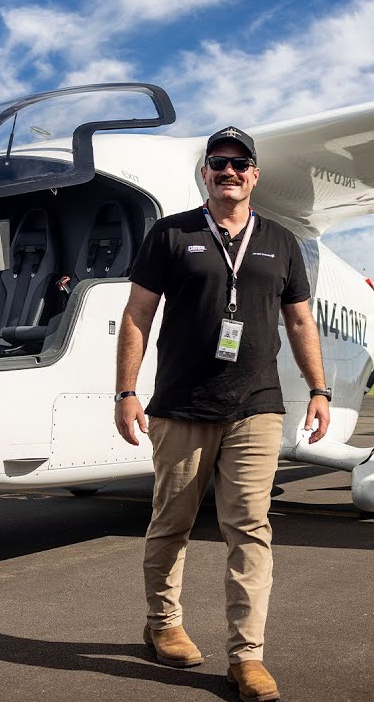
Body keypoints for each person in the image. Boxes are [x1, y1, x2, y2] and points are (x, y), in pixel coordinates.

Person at [114, 126, 330, 702]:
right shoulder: (170, 234)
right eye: (218, 163)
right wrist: (126, 391)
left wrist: (319, 388)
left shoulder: (281, 241)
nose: (229, 171)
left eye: (240, 163)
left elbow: (301, 321)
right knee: (172, 522)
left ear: (255, 175)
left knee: (249, 530)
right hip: (182, 404)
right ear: (205, 174)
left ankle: (247, 657)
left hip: (255, 406)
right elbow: (137, 315)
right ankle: (163, 625)